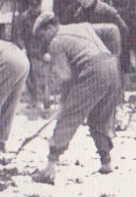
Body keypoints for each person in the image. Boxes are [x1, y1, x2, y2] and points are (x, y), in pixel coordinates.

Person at [31, 12, 121, 184]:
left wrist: (65, 104)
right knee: (99, 119)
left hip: (93, 70)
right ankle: (106, 163)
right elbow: (113, 29)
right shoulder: (82, 26)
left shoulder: (56, 41)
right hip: (112, 66)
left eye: (43, 35)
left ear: (50, 27)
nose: (44, 41)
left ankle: (50, 167)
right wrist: (115, 54)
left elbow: (65, 77)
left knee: (68, 118)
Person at [73, 0, 131, 76]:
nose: (83, 1)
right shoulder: (78, 14)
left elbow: (124, 32)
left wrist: (123, 59)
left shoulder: (108, 12)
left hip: (109, 56)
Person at [14, 0, 50, 109]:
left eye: (37, 7)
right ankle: (34, 101)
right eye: (33, 7)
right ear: (30, 6)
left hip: (42, 50)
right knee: (30, 77)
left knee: (44, 76)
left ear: (40, 6)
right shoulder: (24, 17)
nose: (35, 9)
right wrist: (22, 48)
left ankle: (46, 101)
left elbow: (50, 35)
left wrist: (48, 51)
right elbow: (18, 35)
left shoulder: (45, 18)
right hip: (28, 50)